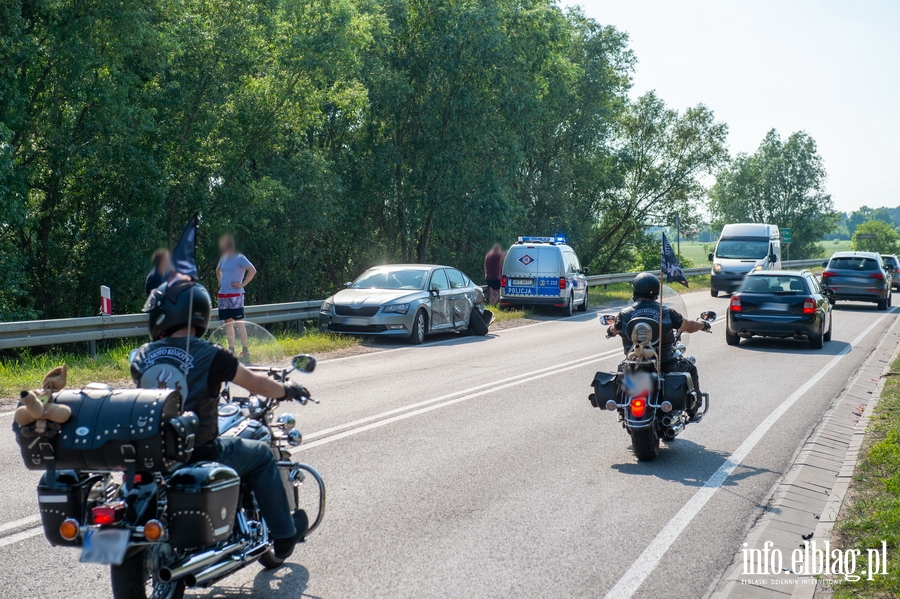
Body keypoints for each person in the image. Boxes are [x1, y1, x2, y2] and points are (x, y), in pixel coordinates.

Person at [131, 278, 309, 559]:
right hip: (200, 452)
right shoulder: (212, 355)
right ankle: (285, 535)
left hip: (154, 453)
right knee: (262, 454)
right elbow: (258, 385)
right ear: (200, 313)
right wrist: (288, 389)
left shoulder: (140, 357)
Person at [606, 272, 710, 419]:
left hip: (634, 362)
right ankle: (693, 410)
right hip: (666, 362)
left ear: (634, 290)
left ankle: (622, 411)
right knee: (690, 368)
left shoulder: (624, 314)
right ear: (656, 291)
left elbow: (614, 329)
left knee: (620, 373)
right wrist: (703, 324)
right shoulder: (667, 312)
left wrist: (610, 330)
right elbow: (689, 326)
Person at [216, 234, 257, 360]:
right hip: (223, 295)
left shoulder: (240, 258)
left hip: (236, 295)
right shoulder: (223, 258)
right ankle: (231, 349)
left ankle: (245, 349)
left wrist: (242, 284)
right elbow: (218, 270)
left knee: (239, 322)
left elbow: (253, 270)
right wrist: (220, 281)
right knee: (228, 323)